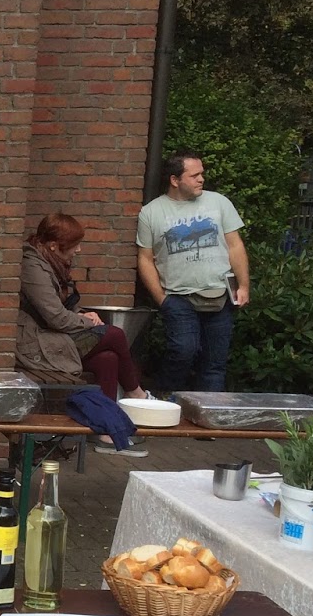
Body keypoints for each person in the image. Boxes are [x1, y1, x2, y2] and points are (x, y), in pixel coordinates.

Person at [17, 213, 152, 456]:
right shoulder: (32, 267)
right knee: (115, 335)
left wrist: (82, 314)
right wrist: (85, 321)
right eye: (74, 244)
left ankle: (107, 433)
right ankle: (136, 392)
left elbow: (62, 307)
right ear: (54, 245)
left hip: (52, 335)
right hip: (36, 343)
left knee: (108, 359)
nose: (78, 250)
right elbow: (55, 317)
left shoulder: (49, 261)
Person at [136, 152, 249, 393]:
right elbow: (145, 258)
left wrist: (244, 286)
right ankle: (165, 403)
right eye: (194, 175)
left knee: (214, 364)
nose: (201, 179)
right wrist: (161, 299)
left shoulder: (219, 203)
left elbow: (235, 246)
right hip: (178, 298)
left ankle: (207, 415)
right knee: (182, 352)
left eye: (202, 174)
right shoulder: (152, 212)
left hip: (220, 295)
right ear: (174, 180)